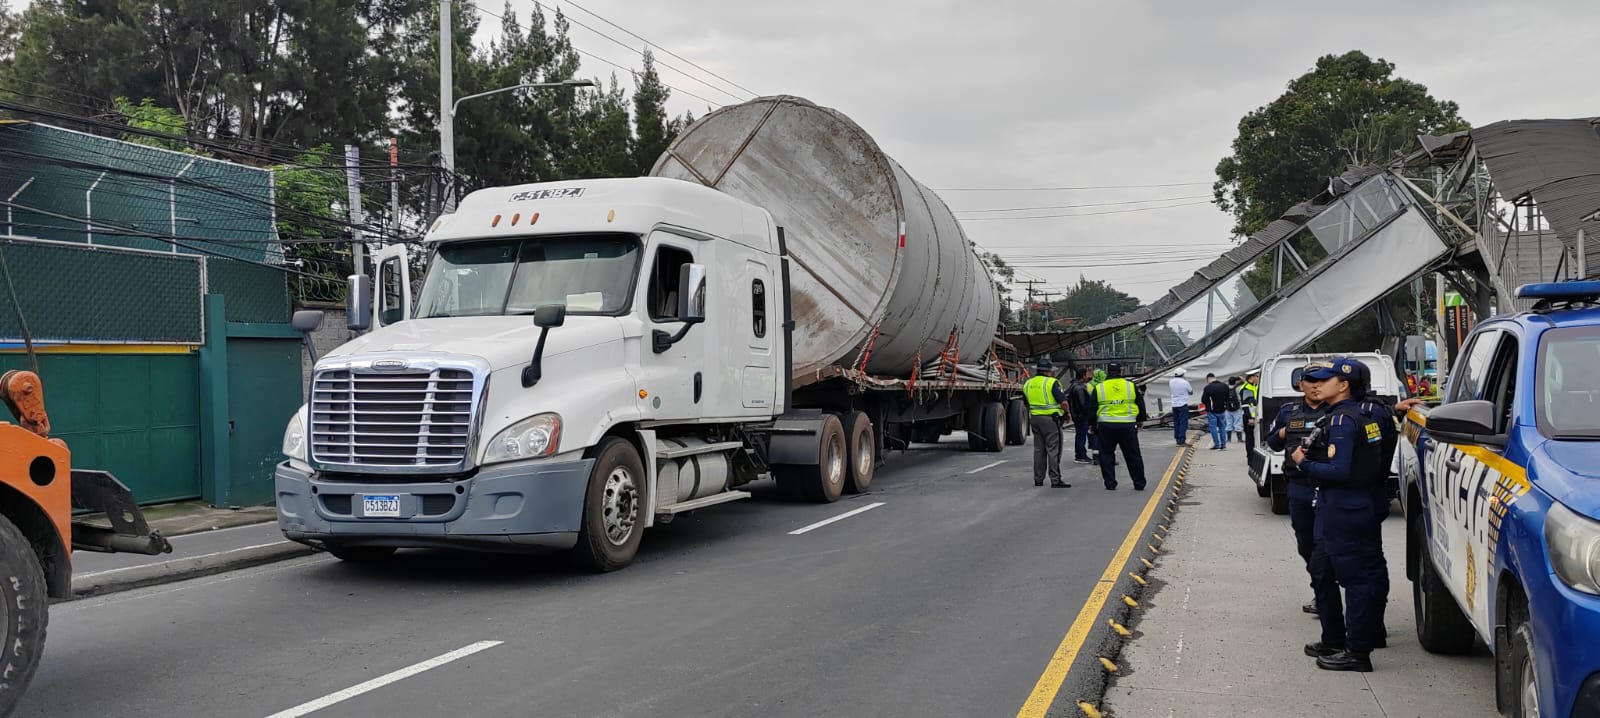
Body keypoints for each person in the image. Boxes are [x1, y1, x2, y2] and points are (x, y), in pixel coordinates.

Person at [1291, 357, 1397, 673]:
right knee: (1359, 570)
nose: (1316, 385)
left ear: (1344, 384)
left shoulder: (1342, 420)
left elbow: (1339, 469)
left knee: (1355, 578)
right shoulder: (1372, 413)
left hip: (1344, 506)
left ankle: (1357, 651)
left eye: (1325, 380)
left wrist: (1304, 463)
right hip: (1362, 502)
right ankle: (1357, 636)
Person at [1265, 362, 1334, 623]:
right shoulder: (1288, 411)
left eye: (1322, 380)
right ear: (1300, 384)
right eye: (1310, 380)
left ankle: (1325, 593)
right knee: (1306, 543)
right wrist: (1285, 431)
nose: (1316, 385)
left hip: (1329, 486)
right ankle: (1321, 587)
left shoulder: (1338, 410)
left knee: (1323, 545)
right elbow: (1271, 443)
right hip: (1299, 487)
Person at [1095, 362, 1149, 491]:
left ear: (1108, 371)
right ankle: (1139, 483)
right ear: (1121, 371)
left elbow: (1092, 407)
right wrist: (1140, 420)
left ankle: (1110, 483)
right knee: (1133, 455)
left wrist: (1092, 424)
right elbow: (1140, 403)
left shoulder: (1100, 387)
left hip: (1106, 425)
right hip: (1128, 426)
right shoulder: (1131, 386)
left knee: (1106, 455)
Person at [1022, 358, 1072, 488]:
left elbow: (1026, 402)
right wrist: (1067, 414)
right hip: (1050, 420)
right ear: (1049, 371)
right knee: (1053, 450)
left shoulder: (1028, 383)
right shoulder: (1052, 383)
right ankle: (1055, 480)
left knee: (1039, 450)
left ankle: (1038, 479)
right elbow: (1064, 402)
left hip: (1035, 419)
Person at [1068, 367, 1097, 464]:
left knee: (1080, 435)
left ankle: (1081, 454)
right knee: (1081, 436)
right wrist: (1089, 415)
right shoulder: (1079, 388)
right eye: (1087, 374)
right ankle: (1080, 455)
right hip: (1081, 416)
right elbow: (1083, 404)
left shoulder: (1075, 386)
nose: (1089, 376)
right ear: (1083, 376)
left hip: (1077, 415)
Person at [1201, 373, 1232, 450]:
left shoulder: (1208, 388)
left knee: (1213, 427)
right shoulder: (1225, 386)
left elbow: (1203, 400)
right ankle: (1223, 445)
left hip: (1212, 411)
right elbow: (1228, 398)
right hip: (1222, 410)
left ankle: (1217, 444)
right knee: (1222, 427)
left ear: (1208, 379)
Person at [1168, 368, 1193, 447]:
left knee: (1176, 422)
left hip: (1174, 404)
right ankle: (1182, 440)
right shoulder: (1185, 382)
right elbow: (1191, 391)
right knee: (1183, 423)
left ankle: (1177, 439)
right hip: (1182, 404)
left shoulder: (1171, 381)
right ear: (1182, 374)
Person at [1240, 371, 1261, 459]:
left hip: (1255, 416)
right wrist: (1250, 418)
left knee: (1256, 438)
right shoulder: (1246, 388)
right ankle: (1250, 457)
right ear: (1251, 377)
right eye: (1257, 376)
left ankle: (1254, 455)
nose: (1258, 378)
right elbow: (1247, 405)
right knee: (1250, 438)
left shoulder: (1255, 386)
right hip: (1249, 417)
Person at [1226, 376, 1245, 442]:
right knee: (1238, 423)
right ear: (1235, 381)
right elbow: (1245, 382)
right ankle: (1239, 439)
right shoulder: (1238, 388)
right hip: (1237, 408)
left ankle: (1228, 439)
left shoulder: (1226, 388)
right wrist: (1240, 378)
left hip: (1227, 408)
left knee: (1229, 423)